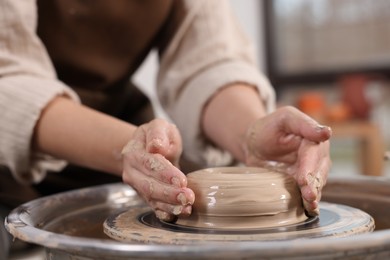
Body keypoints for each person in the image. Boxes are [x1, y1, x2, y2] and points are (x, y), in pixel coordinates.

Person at [0, 0, 331, 257]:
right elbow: (6, 80)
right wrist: (125, 148)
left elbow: (207, 60)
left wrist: (250, 134)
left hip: (125, 149)